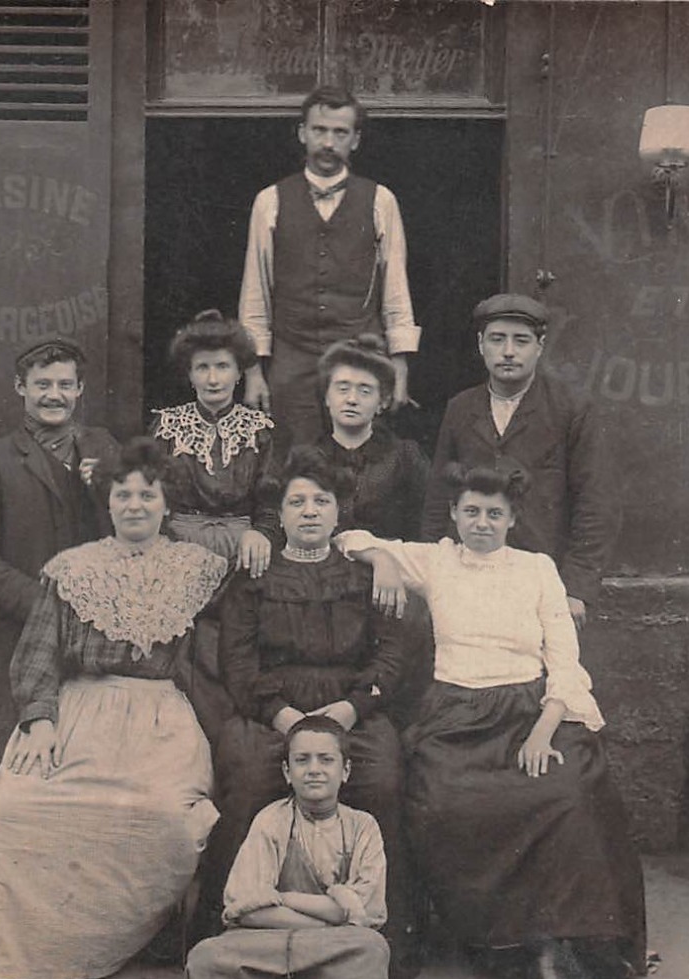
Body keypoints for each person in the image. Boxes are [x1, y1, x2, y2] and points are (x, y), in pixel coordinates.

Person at [339, 466, 648, 979]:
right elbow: (349, 538)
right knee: (444, 797)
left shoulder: (537, 570)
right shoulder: (435, 561)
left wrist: (541, 731)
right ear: (455, 515)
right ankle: (494, 941)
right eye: (472, 512)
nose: (483, 523)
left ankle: (549, 951)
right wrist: (384, 558)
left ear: (512, 519)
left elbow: (565, 658)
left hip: (533, 711)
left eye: (495, 514)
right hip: (456, 716)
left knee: (567, 793)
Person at [0, 437, 228, 979]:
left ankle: (140, 935)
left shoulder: (199, 570)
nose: (134, 504)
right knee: (21, 802)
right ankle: (23, 956)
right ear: (106, 503)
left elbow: (218, 655)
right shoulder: (72, 570)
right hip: (79, 709)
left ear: (166, 503)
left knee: (168, 816)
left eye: (146, 494)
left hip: (159, 719)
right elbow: (37, 650)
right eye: (122, 494)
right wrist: (39, 719)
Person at [202, 447, 419, 979]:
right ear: (279, 514)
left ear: (339, 511)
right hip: (271, 711)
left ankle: (379, 936)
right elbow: (236, 658)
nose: (309, 511)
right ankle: (239, 929)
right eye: (296, 501)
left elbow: (390, 654)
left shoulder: (365, 575)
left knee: (382, 778)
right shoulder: (255, 576)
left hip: (349, 710)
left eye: (321, 501)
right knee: (252, 780)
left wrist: (353, 707)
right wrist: (279, 714)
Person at [186, 715, 416, 979]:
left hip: (334, 945)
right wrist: (330, 918)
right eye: (302, 760)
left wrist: (284, 898)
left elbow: (369, 914)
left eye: (326, 759)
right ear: (287, 771)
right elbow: (244, 909)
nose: (314, 770)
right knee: (206, 956)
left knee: (371, 949)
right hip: (274, 942)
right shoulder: (271, 820)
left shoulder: (363, 826)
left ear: (345, 770)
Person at [419, 294, 619, 627]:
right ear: (481, 344)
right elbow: (439, 496)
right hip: (469, 574)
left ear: (540, 346)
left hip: (542, 579)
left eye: (521, 341)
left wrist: (576, 588)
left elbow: (597, 501)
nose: (509, 351)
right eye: (497, 339)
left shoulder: (570, 408)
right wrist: (432, 570)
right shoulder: (461, 408)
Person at [238, 85, 420, 450]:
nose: (328, 142)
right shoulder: (270, 201)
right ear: (302, 133)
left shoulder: (380, 201)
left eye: (340, 132)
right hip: (291, 358)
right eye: (319, 130)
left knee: (359, 461)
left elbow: (396, 290)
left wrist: (398, 368)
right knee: (294, 459)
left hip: (360, 353)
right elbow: (255, 293)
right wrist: (254, 373)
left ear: (355, 140)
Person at [0, 339, 121, 669]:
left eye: (65, 385)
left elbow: (137, 527)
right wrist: (41, 604)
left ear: (80, 388)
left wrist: (106, 492)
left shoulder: (104, 446)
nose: (54, 395)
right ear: (20, 387)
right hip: (27, 634)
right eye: (42, 385)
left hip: (103, 632)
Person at [150, 309, 277, 573]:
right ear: (190, 374)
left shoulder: (258, 430)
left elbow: (271, 502)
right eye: (202, 368)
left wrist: (261, 534)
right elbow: (150, 494)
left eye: (222, 366)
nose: (213, 379)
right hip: (178, 546)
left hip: (243, 548)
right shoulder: (167, 426)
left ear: (239, 373)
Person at [312, 335, 427, 542]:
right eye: (343, 389)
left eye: (365, 391)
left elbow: (423, 524)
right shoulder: (309, 458)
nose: (352, 399)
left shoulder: (405, 457)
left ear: (382, 402)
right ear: (327, 397)